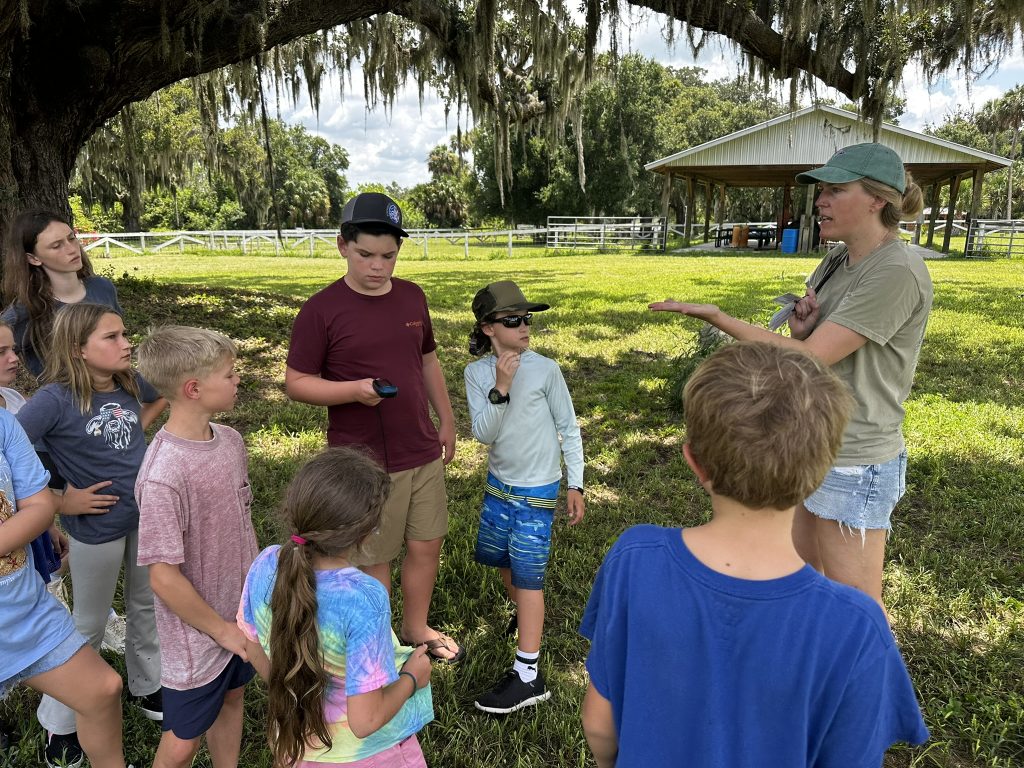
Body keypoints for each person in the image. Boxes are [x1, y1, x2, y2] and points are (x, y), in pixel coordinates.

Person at [580, 342, 930, 767]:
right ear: (823, 468)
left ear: (694, 461)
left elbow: (600, 725)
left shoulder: (634, 559)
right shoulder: (857, 626)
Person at [650, 142, 931, 611]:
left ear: (877, 200)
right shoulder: (838, 260)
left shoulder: (897, 270)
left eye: (835, 190)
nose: (820, 201)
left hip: (855, 456)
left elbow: (813, 358)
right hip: (815, 440)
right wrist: (805, 325)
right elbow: (813, 344)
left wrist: (719, 317)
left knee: (855, 606)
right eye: (820, 190)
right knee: (801, 579)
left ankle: (867, 686)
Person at [285, 192, 463, 662]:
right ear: (342, 245)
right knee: (374, 557)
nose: (378, 267)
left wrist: (445, 418)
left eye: (388, 256)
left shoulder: (412, 297)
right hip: (362, 463)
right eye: (366, 254)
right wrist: (353, 390)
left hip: (420, 448)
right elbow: (296, 383)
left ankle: (416, 625)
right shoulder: (321, 310)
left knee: (427, 542)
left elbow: (427, 361)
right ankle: (379, 639)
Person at [17, 303, 164, 766]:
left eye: (124, 334)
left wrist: (133, 432)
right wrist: (61, 501)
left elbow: (157, 398)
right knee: (88, 625)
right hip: (94, 530)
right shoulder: (55, 400)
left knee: (148, 603)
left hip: (145, 518)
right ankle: (59, 725)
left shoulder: (126, 381)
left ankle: (148, 686)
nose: (126, 344)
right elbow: (11, 453)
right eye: (112, 337)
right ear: (79, 350)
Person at [238, 447, 434, 767]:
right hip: (369, 755)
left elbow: (251, 646)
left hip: (296, 747)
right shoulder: (364, 600)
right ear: (366, 533)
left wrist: (294, 694)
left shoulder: (266, 564)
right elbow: (365, 721)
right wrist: (412, 677)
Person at [135, 326, 258, 768]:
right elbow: (163, 577)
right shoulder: (164, 475)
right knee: (183, 740)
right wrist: (220, 630)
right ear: (194, 389)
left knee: (232, 697)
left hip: (238, 613)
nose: (237, 379)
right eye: (229, 374)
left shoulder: (230, 442)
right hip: (196, 632)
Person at [464, 281, 584, 713]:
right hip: (498, 487)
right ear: (488, 328)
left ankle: (529, 676)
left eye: (527, 318)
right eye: (513, 320)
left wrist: (576, 483)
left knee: (529, 579)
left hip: (537, 492)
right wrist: (501, 386)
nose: (525, 326)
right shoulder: (476, 374)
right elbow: (483, 433)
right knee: (503, 563)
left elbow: (569, 427)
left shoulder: (547, 369)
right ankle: (526, 617)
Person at [0, 407, 129, 768]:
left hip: (22, 610)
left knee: (102, 689)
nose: (10, 359)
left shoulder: (4, 422)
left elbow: (41, 507)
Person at [2, 210, 122, 378]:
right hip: (64, 401)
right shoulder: (25, 311)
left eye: (71, 238)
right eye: (57, 245)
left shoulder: (102, 288)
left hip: (116, 395)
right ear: (33, 259)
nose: (72, 249)